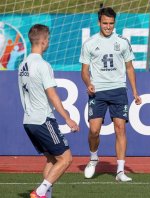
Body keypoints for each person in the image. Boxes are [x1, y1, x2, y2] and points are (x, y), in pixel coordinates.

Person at [80, 7, 141, 182]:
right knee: (94, 130)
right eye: (105, 23)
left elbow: (129, 68)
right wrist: (88, 83)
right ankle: (93, 158)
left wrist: (135, 91)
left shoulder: (122, 42)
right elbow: (84, 71)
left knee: (120, 128)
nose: (108, 27)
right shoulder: (90, 43)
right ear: (99, 22)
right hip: (97, 91)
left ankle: (120, 171)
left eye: (111, 23)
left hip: (118, 90)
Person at [18, 24, 80, 198]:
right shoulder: (43, 65)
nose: (49, 42)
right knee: (66, 159)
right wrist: (67, 118)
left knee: (53, 159)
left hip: (29, 121)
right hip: (43, 119)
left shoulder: (23, 64)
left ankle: (45, 195)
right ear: (44, 41)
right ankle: (39, 193)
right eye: (49, 39)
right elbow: (53, 96)